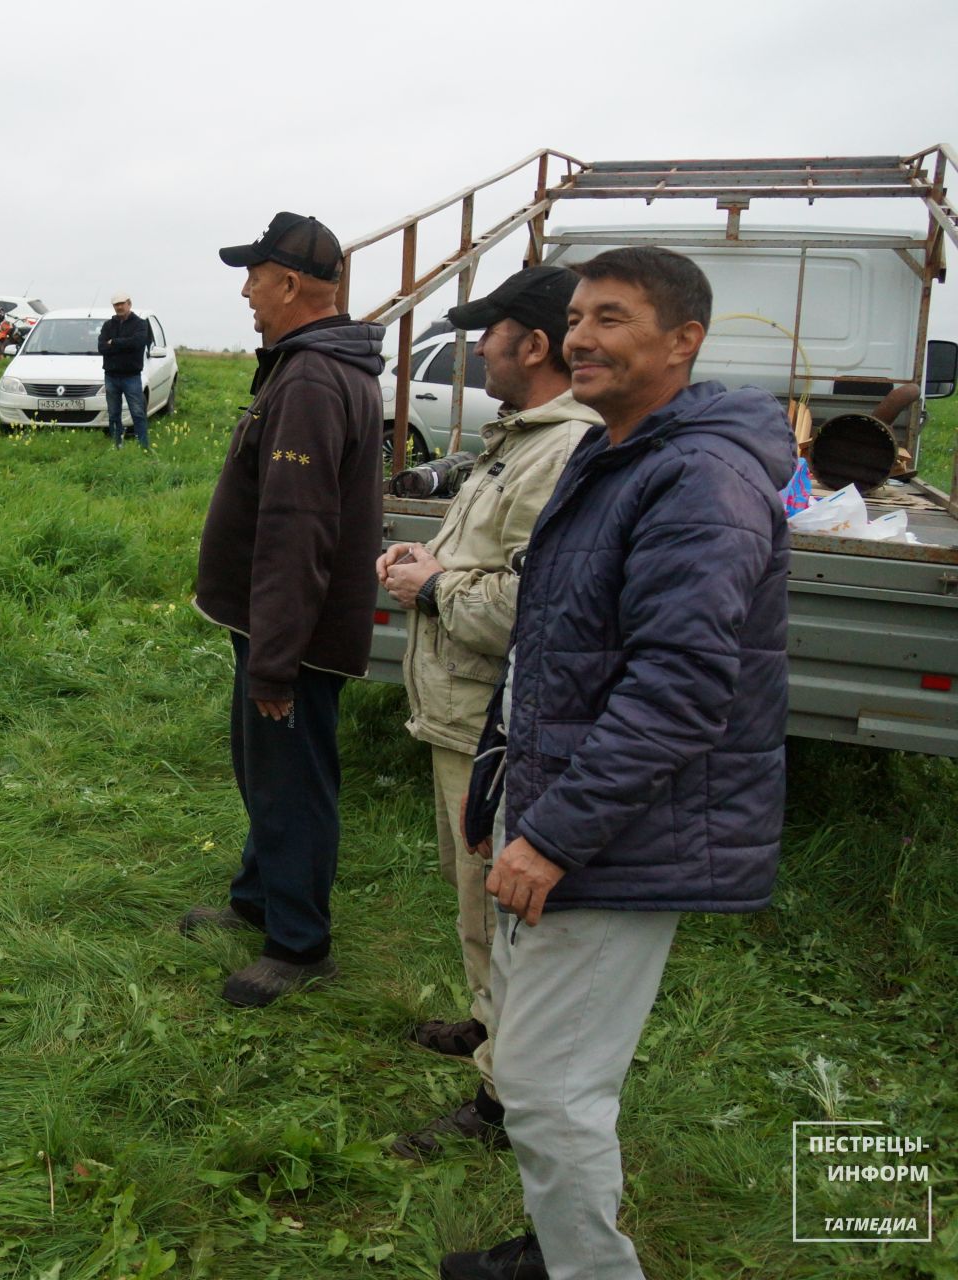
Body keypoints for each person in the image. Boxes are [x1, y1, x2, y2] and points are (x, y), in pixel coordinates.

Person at [441, 248, 791, 1280]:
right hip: (565, 805)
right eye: (580, 315)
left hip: (613, 833)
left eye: (615, 317)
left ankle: (588, 1268)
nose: (583, 336)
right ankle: (561, 1244)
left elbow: (679, 688)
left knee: (548, 1087)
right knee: (555, 1070)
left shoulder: (696, 481)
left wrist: (550, 834)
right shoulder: (619, 453)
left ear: (682, 340)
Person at [373, 266, 596, 1160]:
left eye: (488, 333)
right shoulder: (519, 439)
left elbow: (535, 606)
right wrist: (434, 558)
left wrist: (432, 588)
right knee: (473, 902)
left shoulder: (564, 449)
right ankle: (485, 1023)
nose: (476, 350)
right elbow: (492, 560)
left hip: (496, 728)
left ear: (532, 346)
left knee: (504, 913)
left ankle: (505, 1098)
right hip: (459, 715)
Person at [182, 213, 385, 1006]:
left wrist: (275, 658)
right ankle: (256, 899)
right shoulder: (321, 367)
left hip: (293, 638)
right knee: (269, 772)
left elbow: (296, 530)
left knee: (291, 781)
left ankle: (298, 944)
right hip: (288, 630)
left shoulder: (308, 378)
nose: (246, 291)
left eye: (255, 277)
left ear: (292, 283)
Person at [98, 292, 152, 449]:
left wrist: (113, 342)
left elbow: (137, 342)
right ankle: (116, 445)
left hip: (131, 376)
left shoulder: (140, 324)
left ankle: (143, 446)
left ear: (129, 304)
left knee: (137, 412)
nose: (119, 307)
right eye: (116, 304)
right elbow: (101, 347)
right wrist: (123, 345)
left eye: (122, 303)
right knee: (113, 414)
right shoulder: (108, 325)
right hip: (111, 376)